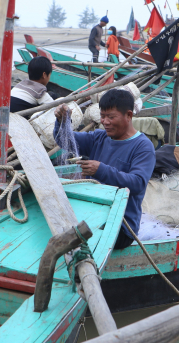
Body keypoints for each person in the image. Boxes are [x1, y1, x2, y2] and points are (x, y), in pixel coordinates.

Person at [54, 89, 155, 249]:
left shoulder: (143, 147)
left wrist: (100, 170)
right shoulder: (99, 137)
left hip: (120, 226)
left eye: (111, 117)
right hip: (91, 213)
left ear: (129, 115)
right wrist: (62, 121)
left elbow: (138, 183)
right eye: (102, 116)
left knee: (70, 241)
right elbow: (65, 139)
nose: (105, 122)